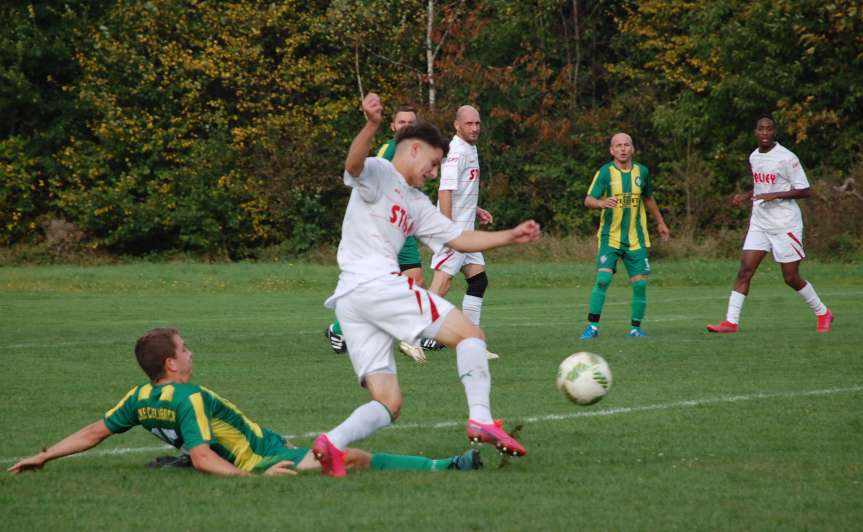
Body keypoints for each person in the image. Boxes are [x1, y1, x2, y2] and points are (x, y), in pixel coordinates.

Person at [314, 92, 541, 477]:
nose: (434, 173)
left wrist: (509, 236)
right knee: (471, 335)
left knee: (389, 403)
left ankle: (331, 444)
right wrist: (370, 124)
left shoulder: (417, 203)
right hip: (374, 285)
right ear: (414, 149)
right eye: (434, 164)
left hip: (352, 299)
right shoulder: (381, 172)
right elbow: (352, 164)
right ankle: (481, 419)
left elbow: (457, 238)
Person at [7, 328, 482, 477]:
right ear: (172, 364)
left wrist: (45, 455)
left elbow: (94, 432)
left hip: (268, 443)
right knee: (349, 456)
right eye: (184, 348)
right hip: (261, 459)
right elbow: (201, 452)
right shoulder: (187, 396)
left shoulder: (140, 396)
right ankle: (445, 467)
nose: (191, 351)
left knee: (319, 448)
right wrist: (254, 480)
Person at [707, 116, 832, 333]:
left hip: (785, 224)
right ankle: (730, 322)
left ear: (774, 132)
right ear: (755, 132)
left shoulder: (787, 158)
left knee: (790, 277)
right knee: (745, 270)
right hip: (760, 222)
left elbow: (805, 190)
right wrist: (746, 196)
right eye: (761, 129)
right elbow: (761, 186)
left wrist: (776, 195)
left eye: (769, 129)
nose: (764, 133)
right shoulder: (754, 156)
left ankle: (823, 312)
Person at [325, 105, 429, 362]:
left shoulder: (420, 151)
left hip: (403, 226)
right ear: (393, 126)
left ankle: (410, 337)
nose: (406, 126)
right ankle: (339, 329)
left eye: (411, 122)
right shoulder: (387, 151)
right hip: (383, 229)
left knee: (415, 280)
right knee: (383, 288)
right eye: (401, 122)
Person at [580, 132, 670, 339]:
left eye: (626, 145)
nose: (622, 148)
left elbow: (648, 199)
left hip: (635, 238)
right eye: (618, 145)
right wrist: (601, 203)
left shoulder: (642, 172)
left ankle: (636, 328)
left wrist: (661, 222)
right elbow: (588, 200)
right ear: (612, 150)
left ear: (632, 149)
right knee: (603, 279)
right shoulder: (605, 172)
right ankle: (592, 327)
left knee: (639, 283)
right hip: (610, 237)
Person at [426, 105, 498, 359]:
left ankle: (472, 344)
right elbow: (444, 191)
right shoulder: (456, 152)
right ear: (457, 125)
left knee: (479, 281)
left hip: (466, 229)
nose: (475, 128)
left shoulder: (470, 148)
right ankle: (413, 337)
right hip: (455, 232)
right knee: (441, 285)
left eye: (478, 123)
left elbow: (459, 190)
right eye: (469, 124)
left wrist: (475, 209)